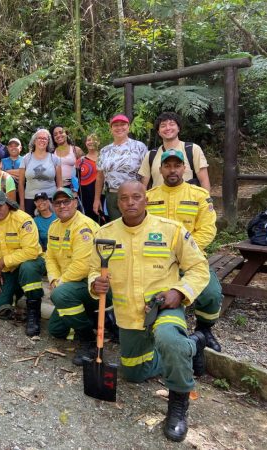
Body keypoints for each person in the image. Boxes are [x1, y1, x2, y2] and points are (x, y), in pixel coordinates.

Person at [89, 180, 210, 443]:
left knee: (169, 339)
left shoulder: (171, 230)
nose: (130, 202)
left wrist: (179, 292)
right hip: (128, 316)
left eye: (136, 197)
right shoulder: (105, 234)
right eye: (124, 198)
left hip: (163, 308)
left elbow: (199, 268)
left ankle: (178, 403)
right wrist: (94, 282)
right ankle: (193, 345)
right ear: (117, 203)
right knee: (133, 373)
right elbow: (93, 269)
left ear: (146, 199)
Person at [146, 150, 222, 351]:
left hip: (191, 258)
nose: (172, 170)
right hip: (157, 258)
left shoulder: (199, 196)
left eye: (177, 166)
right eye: (168, 166)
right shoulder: (148, 197)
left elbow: (207, 229)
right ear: (160, 169)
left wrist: (184, 252)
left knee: (211, 293)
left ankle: (204, 330)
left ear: (184, 168)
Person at [45, 188, 104, 365]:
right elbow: (50, 256)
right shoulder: (54, 226)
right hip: (70, 286)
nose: (62, 205)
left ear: (75, 202)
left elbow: (82, 266)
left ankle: (88, 339)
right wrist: (54, 280)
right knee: (56, 330)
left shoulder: (84, 227)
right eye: (57, 203)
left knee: (59, 295)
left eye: (66, 201)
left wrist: (60, 284)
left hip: (93, 285)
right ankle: (87, 316)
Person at [0, 191, 45, 336]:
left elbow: (31, 251)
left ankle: (34, 312)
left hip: (30, 263)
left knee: (28, 267)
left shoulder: (23, 220)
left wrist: (4, 261)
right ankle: (17, 293)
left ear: (8, 205)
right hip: (6, 270)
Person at [93, 114, 148, 221]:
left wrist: (142, 192)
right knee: (116, 227)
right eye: (116, 125)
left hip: (133, 195)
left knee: (134, 224)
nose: (119, 128)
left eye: (123, 124)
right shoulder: (105, 150)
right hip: (112, 195)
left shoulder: (139, 146)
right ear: (111, 129)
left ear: (128, 127)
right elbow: (100, 177)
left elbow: (145, 173)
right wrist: (96, 199)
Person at [139, 111, 211, 191]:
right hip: (159, 202)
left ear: (178, 128)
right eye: (163, 126)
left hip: (186, 201)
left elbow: (204, 180)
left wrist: (208, 201)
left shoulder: (192, 149)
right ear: (159, 132)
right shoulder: (150, 155)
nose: (168, 128)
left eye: (172, 124)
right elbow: (143, 185)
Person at [18, 128, 62, 214]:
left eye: (45, 138)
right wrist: (22, 204)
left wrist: (58, 201)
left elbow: (60, 183)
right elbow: (20, 183)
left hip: (50, 198)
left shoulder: (54, 159)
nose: (42, 140)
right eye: (39, 138)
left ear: (48, 142)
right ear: (34, 141)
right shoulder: (26, 158)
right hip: (30, 199)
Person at [77, 133, 102, 223]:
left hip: (103, 195)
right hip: (86, 196)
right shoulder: (81, 161)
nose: (91, 142)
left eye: (94, 139)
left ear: (98, 142)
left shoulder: (104, 157)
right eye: (88, 140)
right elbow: (75, 180)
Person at [51, 125, 83, 190]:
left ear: (66, 134)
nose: (58, 135)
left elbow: (85, 169)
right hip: (57, 188)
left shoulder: (76, 150)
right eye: (55, 134)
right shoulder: (51, 153)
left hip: (74, 188)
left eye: (61, 132)